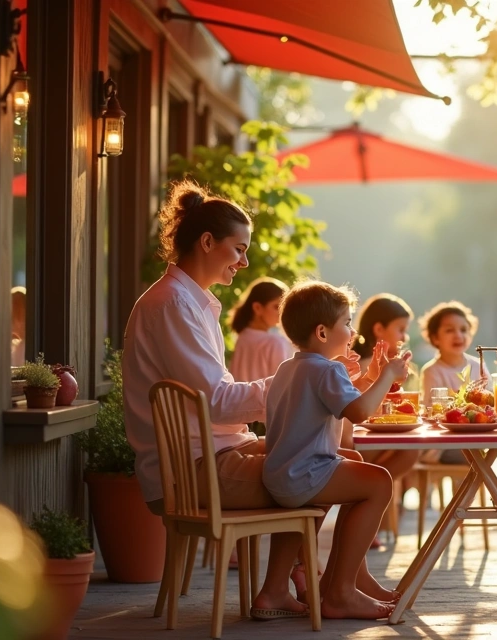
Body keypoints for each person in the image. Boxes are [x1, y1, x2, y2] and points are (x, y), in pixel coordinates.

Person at [121, 181, 352, 618]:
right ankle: (322, 585)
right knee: (323, 471)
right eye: (239, 250)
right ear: (207, 242)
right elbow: (218, 402)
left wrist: (307, 381)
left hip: (216, 450)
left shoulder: (191, 302)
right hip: (192, 469)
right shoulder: (172, 305)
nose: (244, 263)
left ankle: (301, 583)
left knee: (337, 456)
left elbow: (217, 399)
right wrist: (302, 383)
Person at [261, 280, 410, 620]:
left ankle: (273, 592)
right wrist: (386, 376)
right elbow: (358, 412)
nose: (353, 330)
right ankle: (340, 592)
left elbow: (332, 401)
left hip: (280, 474)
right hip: (306, 475)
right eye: (346, 323)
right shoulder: (327, 369)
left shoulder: (290, 368)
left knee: (354, 461)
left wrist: (370, 379)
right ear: (323, 333)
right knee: (379, 482)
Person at [349, 293, 420, 531]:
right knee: (409, 451)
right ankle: (362, 511)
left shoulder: (390, 366)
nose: (405, 336)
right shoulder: (362, 365)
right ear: (379, 329)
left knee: (411, 451)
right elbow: (363, 409)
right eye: (400, 329)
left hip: (375, 434)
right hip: (353, 438)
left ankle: (366, 507)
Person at [417, 300, 488, 464]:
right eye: (450, 330)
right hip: (443, 443)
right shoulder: (432, 371)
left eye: (464, 330)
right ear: (435, 338)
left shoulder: (478, 366)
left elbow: (491, 403)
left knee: (477, 454)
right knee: (471, 457)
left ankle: (465, 488)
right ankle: (464, 489)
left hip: (476, 437)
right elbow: (431, 410)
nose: (458, 335)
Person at [228, 277, 295, 382]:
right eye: (276, 307)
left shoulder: (243, 336)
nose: (282, 313)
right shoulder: (275, 342)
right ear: (257, 308)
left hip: (237, 397)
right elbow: (284, 385)